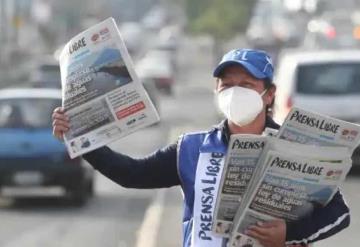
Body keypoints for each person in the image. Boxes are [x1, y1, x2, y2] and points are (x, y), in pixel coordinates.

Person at [52, 49, 350, 247]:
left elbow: (339, 213)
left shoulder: (295, 146)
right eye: (226, 85)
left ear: (269, 95)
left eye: (246, 85)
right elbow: (132, 174)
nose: (235, 92)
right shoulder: (192, 148)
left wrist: (290, 233)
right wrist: (81, 139)